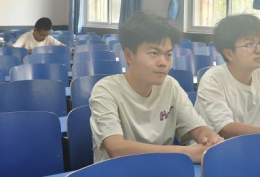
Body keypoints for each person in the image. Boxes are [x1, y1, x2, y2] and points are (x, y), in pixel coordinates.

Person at [90, 11, 222, 163]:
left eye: (168, 55)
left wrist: (209, 138)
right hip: (116, 174)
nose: (163, 62)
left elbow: (197, 129)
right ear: (129, 55)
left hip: (161, 171)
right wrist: (187, 153)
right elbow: (116, 148)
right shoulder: (105, 90)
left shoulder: (170, 86)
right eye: (153, 53)